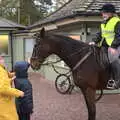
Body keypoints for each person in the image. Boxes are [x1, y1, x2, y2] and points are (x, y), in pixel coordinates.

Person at [89, 3, 120, 89]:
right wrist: (94, 41)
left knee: (114, 60)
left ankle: (117, 81)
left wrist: (114, 47)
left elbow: (119, 36)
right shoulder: (103, 23)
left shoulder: (117, 21)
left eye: (105, 13)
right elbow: (100, 34)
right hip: (104, 45)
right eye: (102, 13)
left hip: (116, 45)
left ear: (111, 13)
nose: (103, 14)